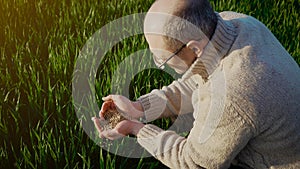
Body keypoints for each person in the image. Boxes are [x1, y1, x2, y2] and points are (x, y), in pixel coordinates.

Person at [92, 0, 300, 168]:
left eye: (160, 59)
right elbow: (197, 82)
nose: (158, 63)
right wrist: (139, 107)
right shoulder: (236, 23)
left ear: (195, 49)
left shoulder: (232, 95)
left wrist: (135, 128)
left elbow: (193, 161)